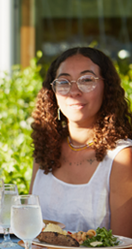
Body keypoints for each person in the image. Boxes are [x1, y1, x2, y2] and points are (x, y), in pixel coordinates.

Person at [30, 47, 132, 236]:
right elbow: (29, 229)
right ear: (53, 92)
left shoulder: (121, 157)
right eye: (64, 82)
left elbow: (124, 247)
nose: (74, 91)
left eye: (87, 80)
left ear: (107, 88)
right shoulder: (46, 147)